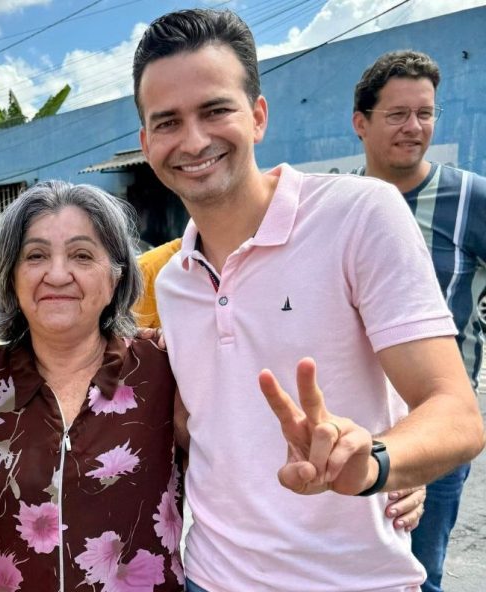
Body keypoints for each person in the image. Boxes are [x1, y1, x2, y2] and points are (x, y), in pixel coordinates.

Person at [133, 8, 484, 592]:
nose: (193, 140)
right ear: (146, 143)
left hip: (356, 581)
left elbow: (456, 413)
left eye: (216, 110)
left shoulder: (360, 214)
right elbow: (210, 434)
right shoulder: (172, 282)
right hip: (210, 579)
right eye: (167, 122)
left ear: (259, 116)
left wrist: (376, 460)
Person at [0, 180, 187, 591]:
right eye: (35, 255)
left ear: (116, 277)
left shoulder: (165, 370)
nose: (56, 274)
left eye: (82, 255)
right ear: (11, 277)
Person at [351, 49, 486, 592]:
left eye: (425, 113)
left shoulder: (472, 199)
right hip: (357, 426)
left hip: (435, 426)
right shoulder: (343, 205)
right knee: (345, 571)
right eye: (397, 114)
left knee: (418, 575)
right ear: (361, 123)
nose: (414, 127)